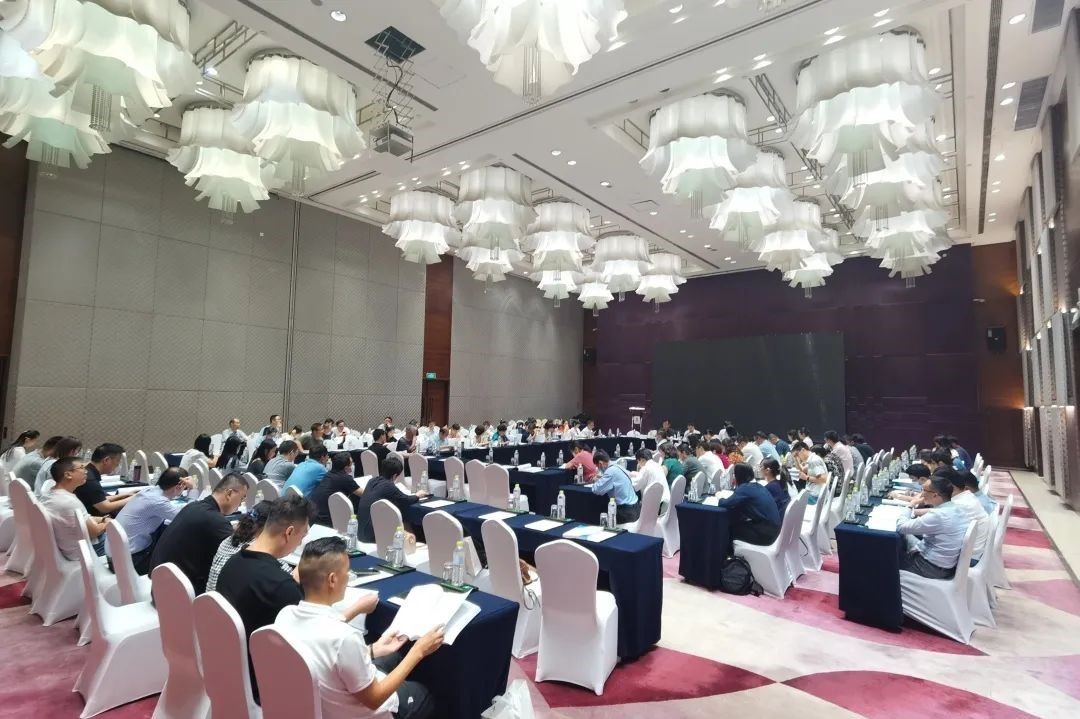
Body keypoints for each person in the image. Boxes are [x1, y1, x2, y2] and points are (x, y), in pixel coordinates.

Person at [276, 536, 442, 719]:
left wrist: (373, 649)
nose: (349, 576)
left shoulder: (285, 616)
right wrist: (418, 651)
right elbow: (375, 699)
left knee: (391, 655)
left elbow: (325, 657)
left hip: (319, 704)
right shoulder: (345, 637)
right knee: (424, 695)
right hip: (358, 712)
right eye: (347, 571)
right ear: (332, 580)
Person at [217, 496, 332, 703]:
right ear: (289, 532)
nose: (301, 543)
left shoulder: (233, 563)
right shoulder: (280, 586)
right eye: (302, 536)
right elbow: (318, 641)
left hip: (230, 671)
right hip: (267, 684)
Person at [149, 473, 249, 594]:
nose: (241, 503)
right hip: (179, 595)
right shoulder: (216, 521)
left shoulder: (193, 506)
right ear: (229, 494)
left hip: (159, 586)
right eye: (242, 498)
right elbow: (237, 557)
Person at [109, 467, 191, 574]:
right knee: (179, 555)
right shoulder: (158, 502)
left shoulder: (149, 491)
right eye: (184, 488)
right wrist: (193, 490)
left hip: (115, 555)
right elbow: (188, 516)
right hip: (129, 562)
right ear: (179, 486)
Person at [207, 500, 291, 593]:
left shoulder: (228, 541)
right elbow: (287, 577)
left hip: (210, 598)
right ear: (269, 526)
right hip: (230, 599)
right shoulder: (255, 551)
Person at [896, 475, 970, 578]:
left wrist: (910, 504)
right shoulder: (955, 508)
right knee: (905, 537)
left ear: (935, 495)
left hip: (930, 567)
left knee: (887, 557)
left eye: (924, 490)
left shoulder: (938, 516)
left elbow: (900, 527)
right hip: (944, 564)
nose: (921, 494)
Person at [40, 457, 110, 559]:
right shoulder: (70, 501)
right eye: (81, 468)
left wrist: (103, 519)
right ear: (68, 475)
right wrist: (109, 523)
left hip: (64, 548)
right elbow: (94, 532)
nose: (86, 471)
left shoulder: (49, 494)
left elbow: (82, 518)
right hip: (81, 553)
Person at [355, 456, 428, 543]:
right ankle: (414, 541)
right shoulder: (389, 486)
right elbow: (406, 500)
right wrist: (418, 495)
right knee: (402, 513)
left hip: (360, 530)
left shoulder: (372, 481)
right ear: (394, 476)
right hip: (372, 534)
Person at [716, 463, 782, 545]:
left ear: (739, 476)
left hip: (766, 534)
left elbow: (724, 504)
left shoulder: (745, 488)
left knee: (728, 529)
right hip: (774, 530)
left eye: (734, 474)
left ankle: (727, 552)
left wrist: (719, 496)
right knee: (739, 523)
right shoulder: (757, 486)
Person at [75, 442, 140, 518]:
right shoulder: (91, 480)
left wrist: (125, 495)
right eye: (118, 461)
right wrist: (133, 498)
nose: (118, 464)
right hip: (94, 518)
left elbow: (99, 499)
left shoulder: (89, 472)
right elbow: (105, 508)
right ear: (106, 460)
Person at [310, 453, 365, 527]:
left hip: (313, 516)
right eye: (351, 464)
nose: (352, 466)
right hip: (326, 520)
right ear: (346, 467)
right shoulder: (345, 478)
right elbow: (364, 494)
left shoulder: (328, 474)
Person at [946, 469, 989, 560]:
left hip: (968, 557)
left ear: (965, 489)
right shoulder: (970, 497)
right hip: (973, 550)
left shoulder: (963, 503)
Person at [591, 450, 640, 524]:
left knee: (601, 516)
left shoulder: (610, 472)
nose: (598, 469)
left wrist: (596, 481)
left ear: (600, 464)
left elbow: (596, 490)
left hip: (626, 512)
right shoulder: (618, 466)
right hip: (636, 508)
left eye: (597, 466)